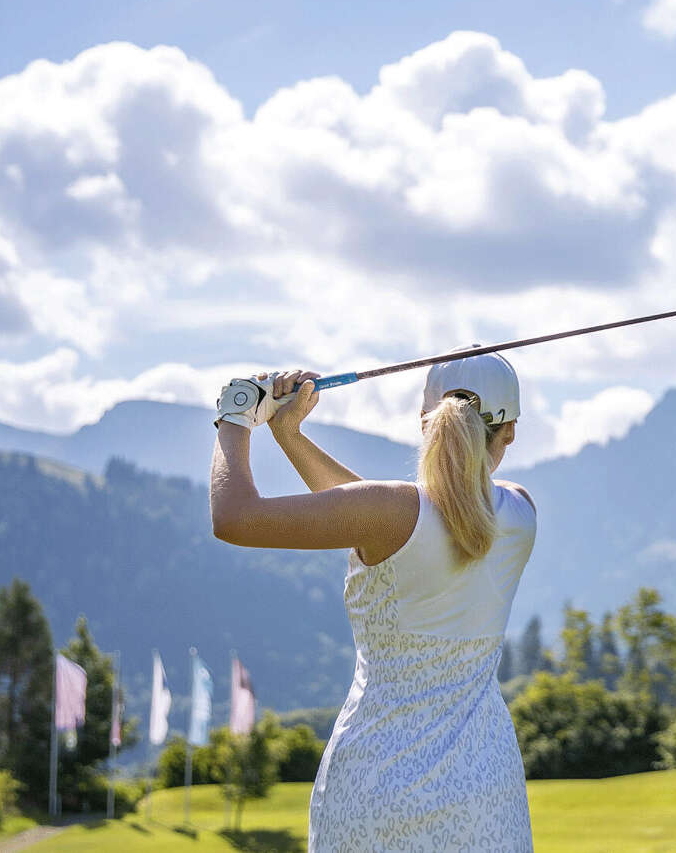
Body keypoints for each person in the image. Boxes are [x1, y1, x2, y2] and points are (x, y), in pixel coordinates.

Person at [209, 349, 537, 852]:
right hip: (486, 790)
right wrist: (289, 436)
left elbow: (236, 517)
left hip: (373, 787)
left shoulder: (387, 513)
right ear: (508, 432)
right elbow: (379, 516)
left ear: (425, 422)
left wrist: (236, 415)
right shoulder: (520, 512)